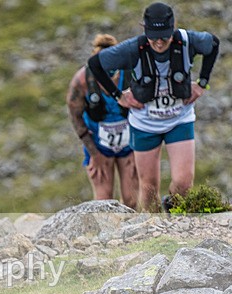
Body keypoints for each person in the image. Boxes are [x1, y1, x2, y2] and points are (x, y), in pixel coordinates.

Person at [87, 2, 220, 212]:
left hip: (179, 119)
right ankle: (153, 231)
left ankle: (175, 217)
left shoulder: (188, 41)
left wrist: (202, 82)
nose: (159, 42)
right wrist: (118, 96)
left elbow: (213, 43)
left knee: (184, 182)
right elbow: (95, 64)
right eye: (153, 36)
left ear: (172, 29)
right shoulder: (132, 49)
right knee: (148, 188)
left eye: (164, 36)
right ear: (145, 29)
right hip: (145, 124)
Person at [67, 34, 139, 208]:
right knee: (103, 202)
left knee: (131, 200)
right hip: (99, 146)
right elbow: (75, 116)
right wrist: (94, 153)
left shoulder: (131, 75)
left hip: (129, 145)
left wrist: (140, 148)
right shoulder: (82, 80)